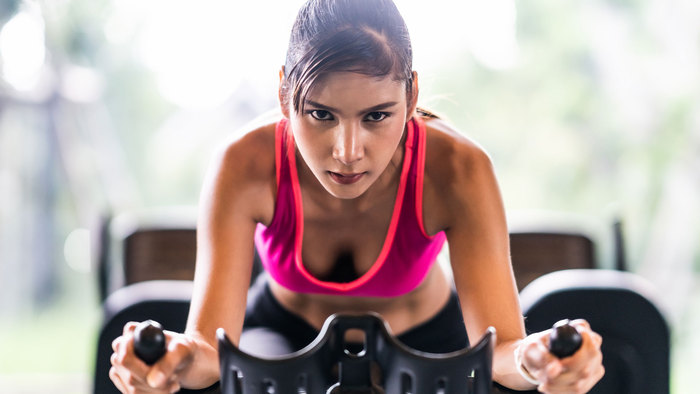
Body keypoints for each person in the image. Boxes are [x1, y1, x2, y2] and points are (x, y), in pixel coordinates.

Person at [109, 0, 605, 392]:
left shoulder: (458, 170)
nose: (347, 152)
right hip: (283, 334)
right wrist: (172, 361)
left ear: (411, 96)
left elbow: (501, 353)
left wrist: (538, 361)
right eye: (321, 114)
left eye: (377, 116)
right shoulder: (243, 166)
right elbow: (210, 354)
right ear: (284, 94)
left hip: (427, 338)